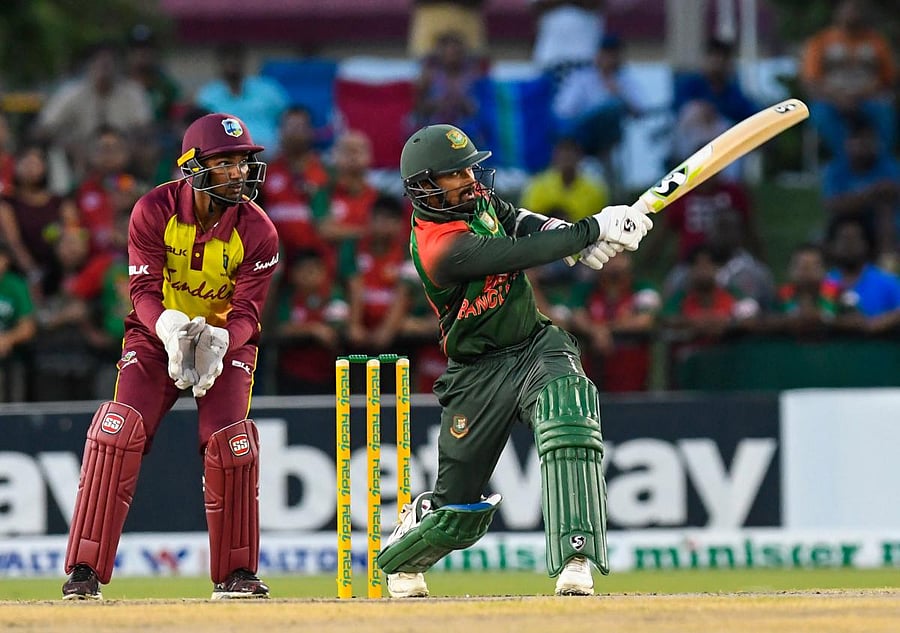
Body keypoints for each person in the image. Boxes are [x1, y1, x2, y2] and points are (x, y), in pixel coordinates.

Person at [375, 124, 651, 598]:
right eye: (455, 173)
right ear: (425, 186)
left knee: (568, 408)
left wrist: (572, 237)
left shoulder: (475, 201)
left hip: (535, 343)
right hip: (476, 372)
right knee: (457, 515)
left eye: (468, 168)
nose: (470, 178)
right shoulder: (440, 247)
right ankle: (407, 548)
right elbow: (516, 252)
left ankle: (575, 556)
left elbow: (519, 221)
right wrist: (592, 229)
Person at [61, 113, 279, 600]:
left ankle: (237, 574)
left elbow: (247, 310)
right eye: (226, 163)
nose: (240, 173)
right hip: (156, 338)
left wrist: (221, 339)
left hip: (224, 342)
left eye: (244, 162)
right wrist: (168, 327)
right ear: (194, 167)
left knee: (230, 443)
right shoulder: (153, 209)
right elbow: (141, 288)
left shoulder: (260, 231)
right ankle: (83, 570)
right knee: (118, 432)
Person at [800, 0, 896, 158]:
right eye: (848, 8)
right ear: (837, 12)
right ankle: (847, 163)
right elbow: (811, 81)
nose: (852, 13)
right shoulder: (820, 42)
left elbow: (888, 80)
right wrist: (838, 98)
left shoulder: (877, 42)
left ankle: (881, 166)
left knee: (884, 113)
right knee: (822, 115)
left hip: (869, 99)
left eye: (857, 8)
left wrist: (862, 95)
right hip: (831, 101)